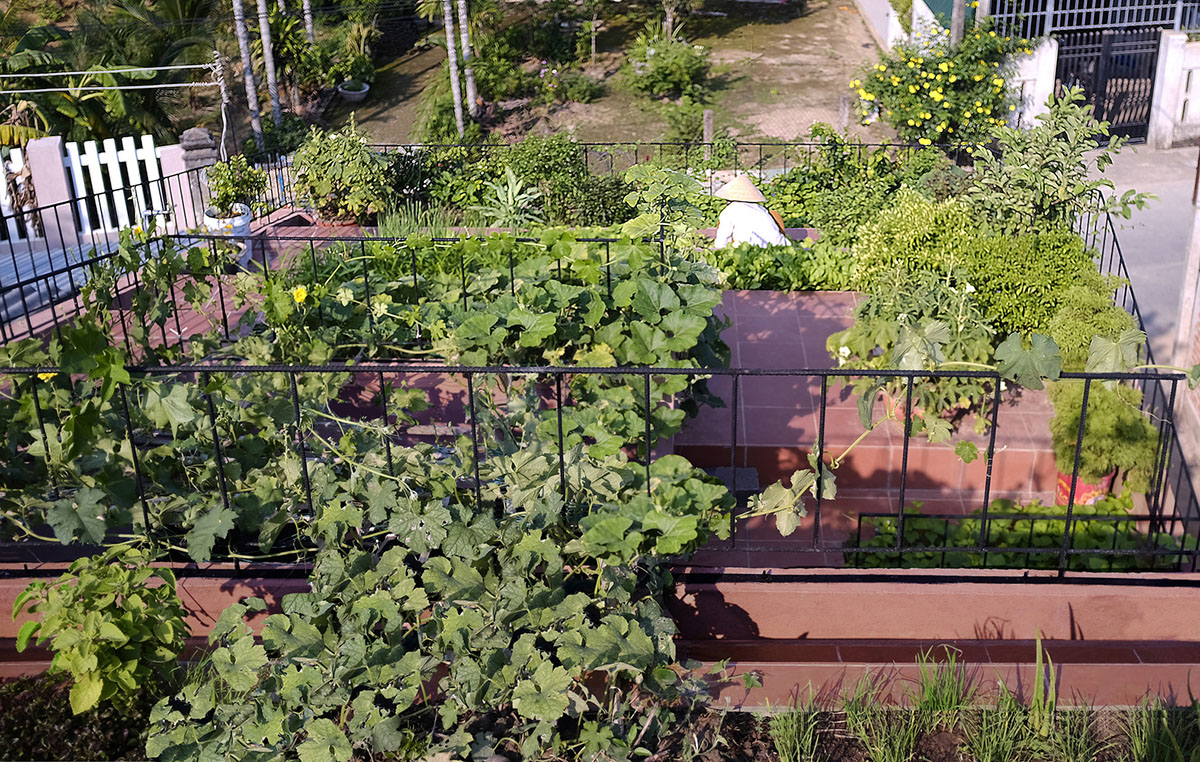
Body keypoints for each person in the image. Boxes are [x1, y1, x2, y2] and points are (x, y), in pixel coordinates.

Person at [712, 174, 788, 249]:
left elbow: (722, 240)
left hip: (748, 251)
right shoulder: (761, 209)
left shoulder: (730, 210)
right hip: (778, 249)